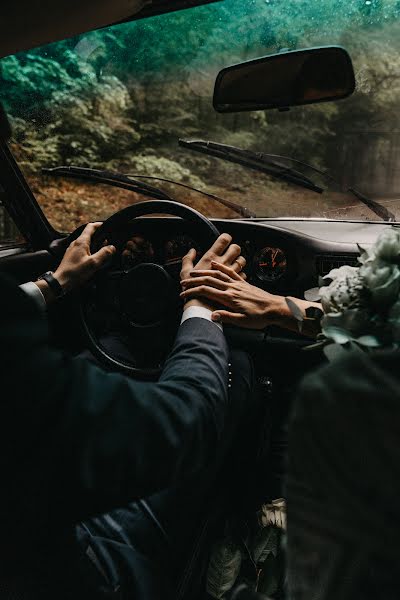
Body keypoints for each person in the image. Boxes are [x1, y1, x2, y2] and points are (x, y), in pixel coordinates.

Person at [0, 224, 257, 599]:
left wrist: (54, 283)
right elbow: (184, 425)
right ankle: (236, 516)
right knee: (237, 366)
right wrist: (199, 306)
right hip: (75, 572)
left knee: (107, 352)